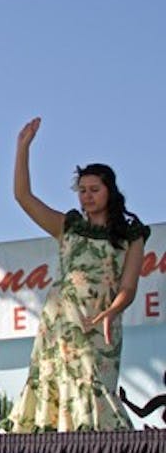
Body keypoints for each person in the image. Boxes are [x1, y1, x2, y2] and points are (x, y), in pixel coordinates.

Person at [8, 117, 149, 433]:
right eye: (82, 190)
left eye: (94, 189)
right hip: (61, 318)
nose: (87, 196)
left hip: (99, 319)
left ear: (110, 191)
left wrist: (113, 311)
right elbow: (23, 197)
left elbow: (128, 285)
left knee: (93, 381)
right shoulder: (67, 226)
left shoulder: (131, 235)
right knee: (53, 379)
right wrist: (22, 148)